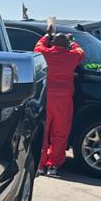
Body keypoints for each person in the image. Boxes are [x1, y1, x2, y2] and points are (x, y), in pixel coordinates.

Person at [34, 20, 85, 175]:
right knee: (60, 133)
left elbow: (37, 47)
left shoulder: (45, 53)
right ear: (67, 45)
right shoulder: (72, 56)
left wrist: (47, 35)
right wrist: (72, 41)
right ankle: (53, 165)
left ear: (53, 43)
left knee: (43, 132)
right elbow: (81, 52)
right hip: (64, 100)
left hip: (46, 98)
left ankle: (40, 165)